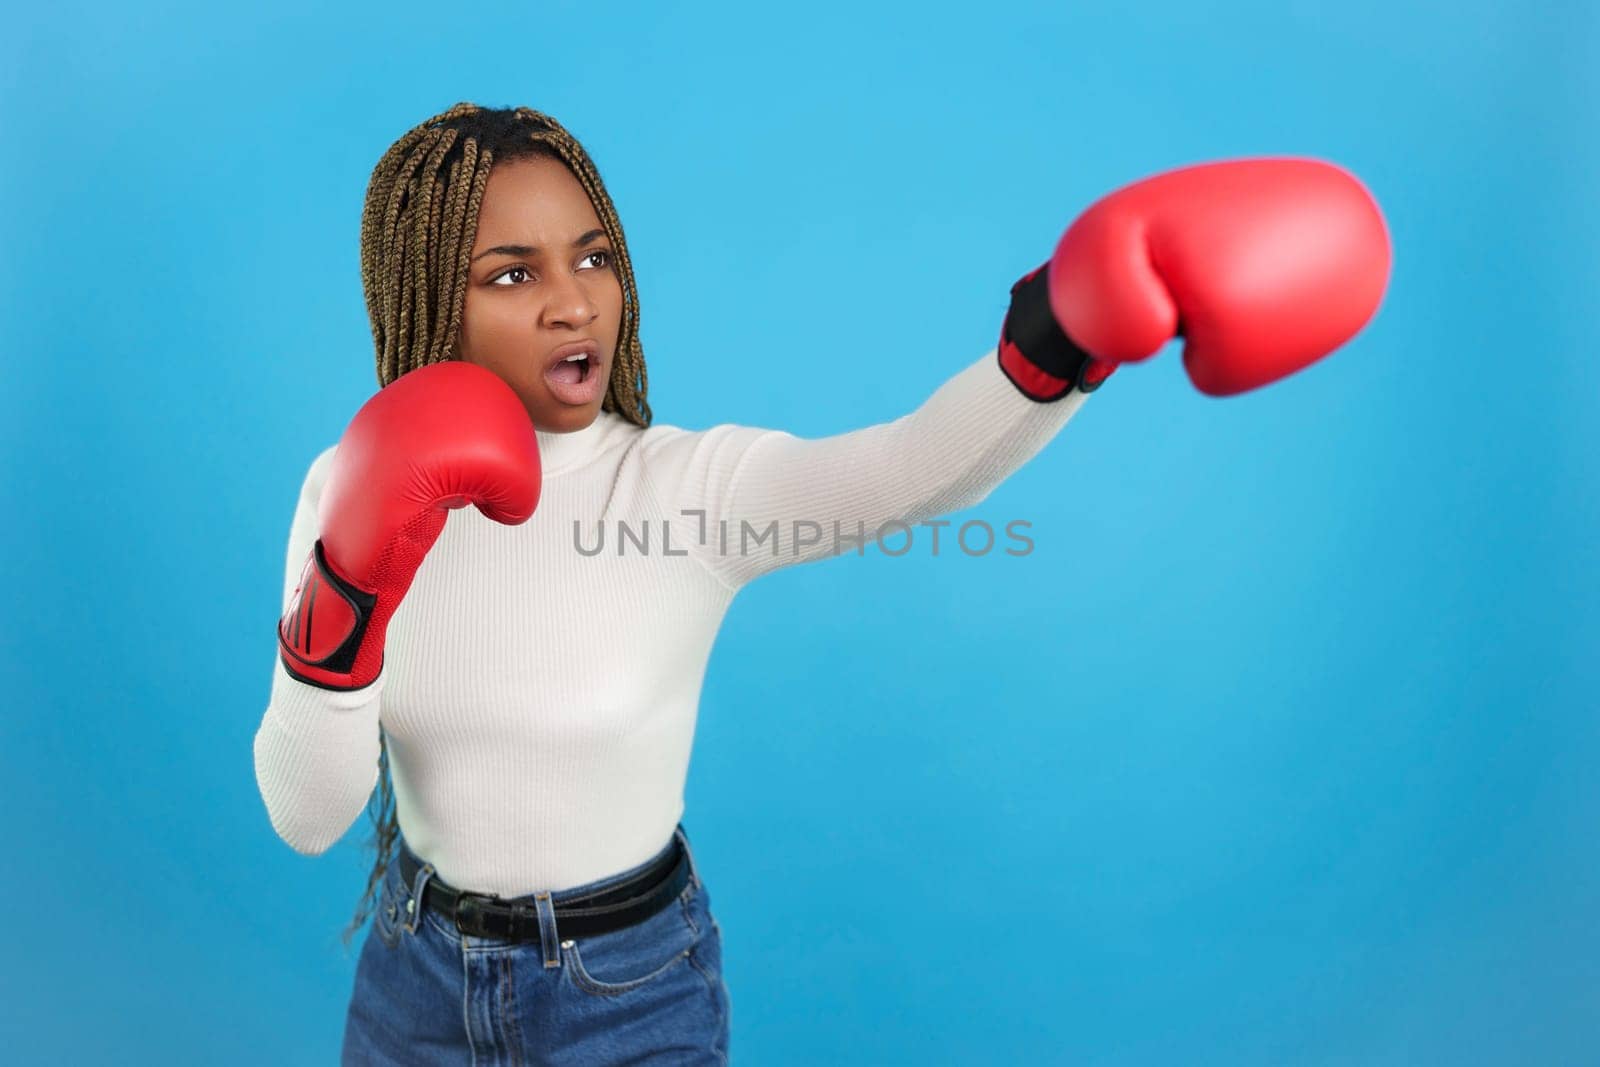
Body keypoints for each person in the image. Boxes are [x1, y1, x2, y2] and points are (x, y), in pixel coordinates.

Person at [252, 102, 1389, 1065]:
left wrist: (1060, 333)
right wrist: (349, 587)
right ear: (420, 296)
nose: (573, 301)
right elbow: (309, 818)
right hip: (413, 971)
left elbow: (902, 471)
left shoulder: (684, 489)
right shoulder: (345, 484)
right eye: (512, 273)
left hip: (622, 988)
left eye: (593, 256)